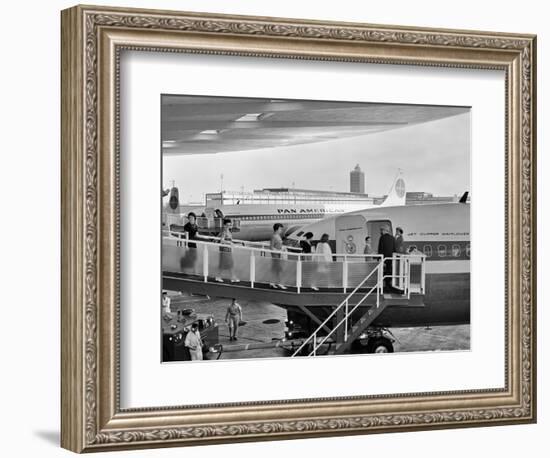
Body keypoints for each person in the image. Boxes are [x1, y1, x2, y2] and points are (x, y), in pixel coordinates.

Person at [216, 219, 239, 283]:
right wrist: (230, 243)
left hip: (228, 249)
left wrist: (231, 243)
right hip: (224, 249)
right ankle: (232, 277)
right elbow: (222, 240)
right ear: (224, 225)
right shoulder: (224, 232)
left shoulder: (229, 231)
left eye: (230, 225)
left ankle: (230, 277)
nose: (229, 226)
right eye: (227, 225)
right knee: (227, 263)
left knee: (227, 263)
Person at [378, 225, 396, 291]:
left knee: (384, 272)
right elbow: (394, 250)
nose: (381, 231)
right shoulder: (392, 238)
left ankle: (386, 286)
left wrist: (380, 258)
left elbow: (380, 249)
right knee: (390, 271)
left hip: (384, 258)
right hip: (391, 259)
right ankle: (389, 285)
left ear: (384, 230)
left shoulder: (382, 238)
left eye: (382, 230)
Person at [269, 223, 287, 290]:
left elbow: (278, 245)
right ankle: (280, 283)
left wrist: (282, 248)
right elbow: (271, 247)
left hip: (279, 255)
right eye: (280, 229)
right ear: (277, 229)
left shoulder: (278, 236)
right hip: (275, 256)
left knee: (276, 270)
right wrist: (279, 250)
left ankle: (273, 283)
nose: (281, 230)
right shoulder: (274, 236)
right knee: (279, 270)